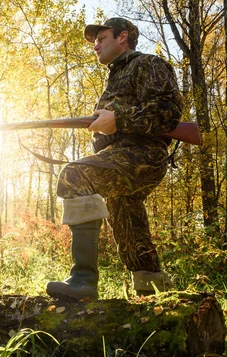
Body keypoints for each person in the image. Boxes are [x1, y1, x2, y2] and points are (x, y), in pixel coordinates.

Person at [46, 17, 183, 300]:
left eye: (101, 37)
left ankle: (83, 280)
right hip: (120, 157)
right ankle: (153, 291)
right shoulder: (114, 79)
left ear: (122, 37)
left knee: (75, 174)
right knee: (126, 217)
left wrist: (117, 120)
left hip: (143, 154)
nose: (95, 45)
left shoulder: (147, 64)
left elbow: (168, 111)